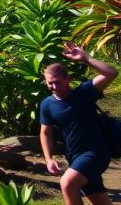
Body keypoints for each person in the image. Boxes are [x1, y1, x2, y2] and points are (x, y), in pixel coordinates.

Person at [40, 42, 118, 205]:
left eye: (57, 82)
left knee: (67, 184)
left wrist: (86, 58)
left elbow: (111, 73)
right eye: (50, 83)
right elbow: (45, 132)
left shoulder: (85, 92)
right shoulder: (47, 104)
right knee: (99, 200)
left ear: (68, 79)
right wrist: (48, 159)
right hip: (74, 156)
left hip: (96, 153)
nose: (53, 86)